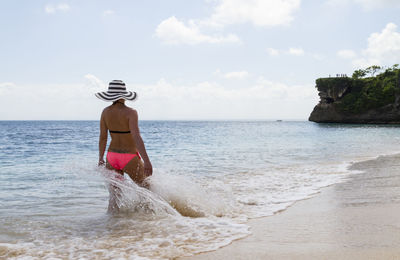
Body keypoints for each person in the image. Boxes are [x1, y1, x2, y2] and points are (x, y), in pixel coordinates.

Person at [95, 80, 152, 188]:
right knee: (147, 189)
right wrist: (147, 161)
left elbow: (103, 137)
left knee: (115, 197)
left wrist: (101, 158)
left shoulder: (105, 112)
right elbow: (136, 136)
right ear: (124, 95)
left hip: (112, 157)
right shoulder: (131, 112)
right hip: (129, 156)